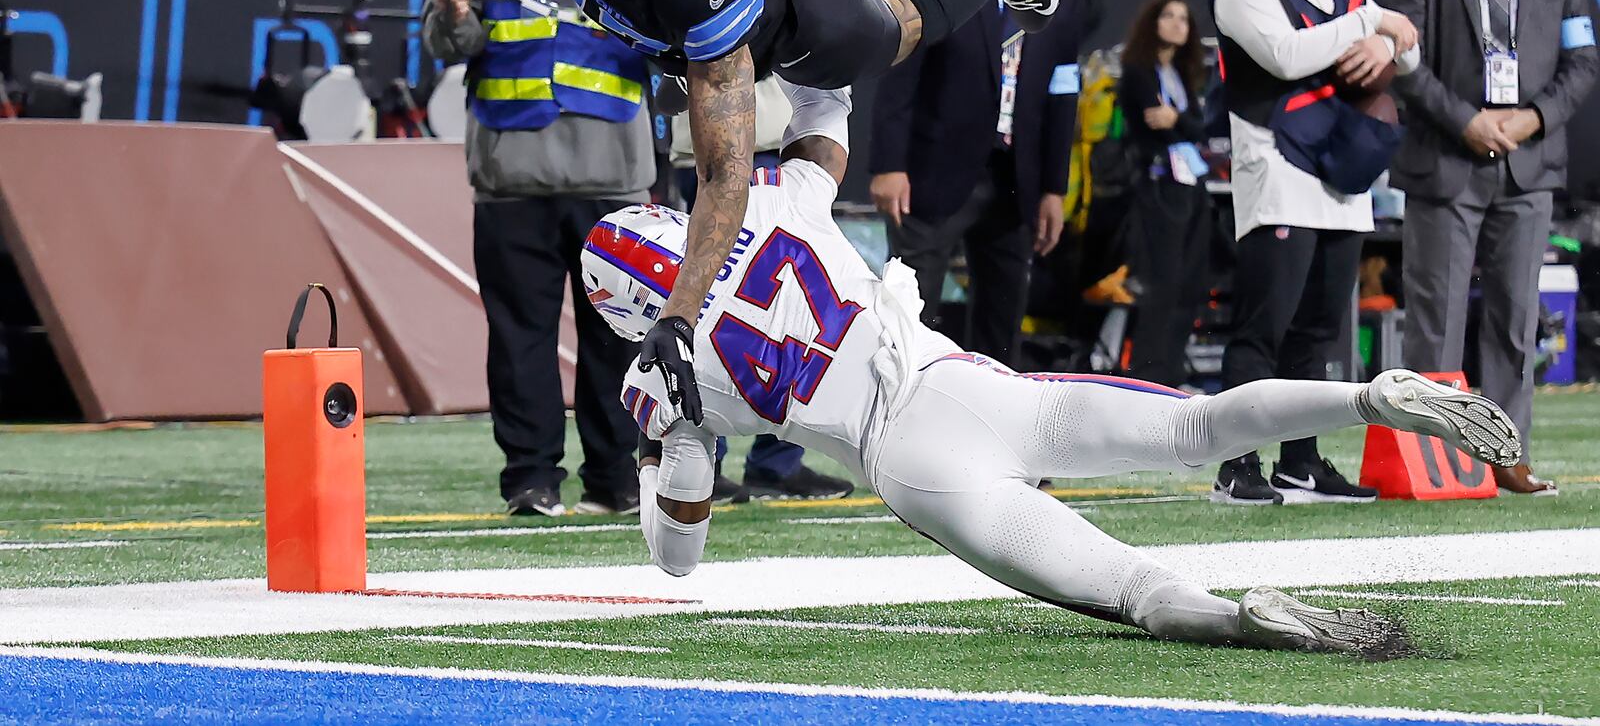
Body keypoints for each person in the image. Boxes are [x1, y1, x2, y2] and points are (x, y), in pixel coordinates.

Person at [189, 0, 1063, 438]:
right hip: (658, 34)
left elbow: (723, 178)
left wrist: (680, 319)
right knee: (816, 105)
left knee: (886, 34)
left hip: (785, 8)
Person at [582, 77, 1521, 654]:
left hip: (916, 470)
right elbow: (831, 111)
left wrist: (664, 449)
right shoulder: (772, 204)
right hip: (968, 387)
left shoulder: (663, 380)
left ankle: (1240, 621)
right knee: (1195, 425)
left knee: (1135, 593)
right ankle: (1368, 395)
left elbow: (678, 557)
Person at [1389, 0, 1600, 497]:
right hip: (1447, 157)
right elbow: (1404, 60)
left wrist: (1532, 117)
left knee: (1514, 319)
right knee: (1436, 320)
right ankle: (1430, 459)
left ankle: (1509, 456)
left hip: (1528, 163)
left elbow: (1584, 58)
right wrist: (1467, 118)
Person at [1209, 0, 1421, 506]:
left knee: (1318, 331)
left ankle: (1301, 463)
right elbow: (1286, 55)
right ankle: (1234, 464)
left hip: (1341, 176)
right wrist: (1371, 25)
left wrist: (1387, 46)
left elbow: (1410, 46)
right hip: (1275, 166)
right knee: (1262, 327)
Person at [424, 0, 654, 518]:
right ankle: (531, 480)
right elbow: (448, 42)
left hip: (612, 179)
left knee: (616, 339)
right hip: (511, 181)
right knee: (520, 340)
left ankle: (613, 478)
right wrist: (451, 15)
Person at [869, 0, 1082, 365]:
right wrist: (888, 165)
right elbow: (901, 72)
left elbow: (1061, 93)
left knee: (1002, 326)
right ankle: (893, 427)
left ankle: (990, 437)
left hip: (1017, 180)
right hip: (931, 170)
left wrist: (1054, 187)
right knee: (907, 319)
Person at [1119, 0, 1210, 390]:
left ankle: (1172, 374)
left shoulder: (1186, 76)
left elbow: (1195, 127)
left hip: (1191, 182)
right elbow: (1153, 123)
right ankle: (1148, 375)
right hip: (1159, 184)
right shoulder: (1138, 71)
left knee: (1191, 283)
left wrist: (1178, 119)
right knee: (1163, 282)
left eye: (1184, 19)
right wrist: (1181, 122)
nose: (1177, 24)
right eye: (1169, 16)